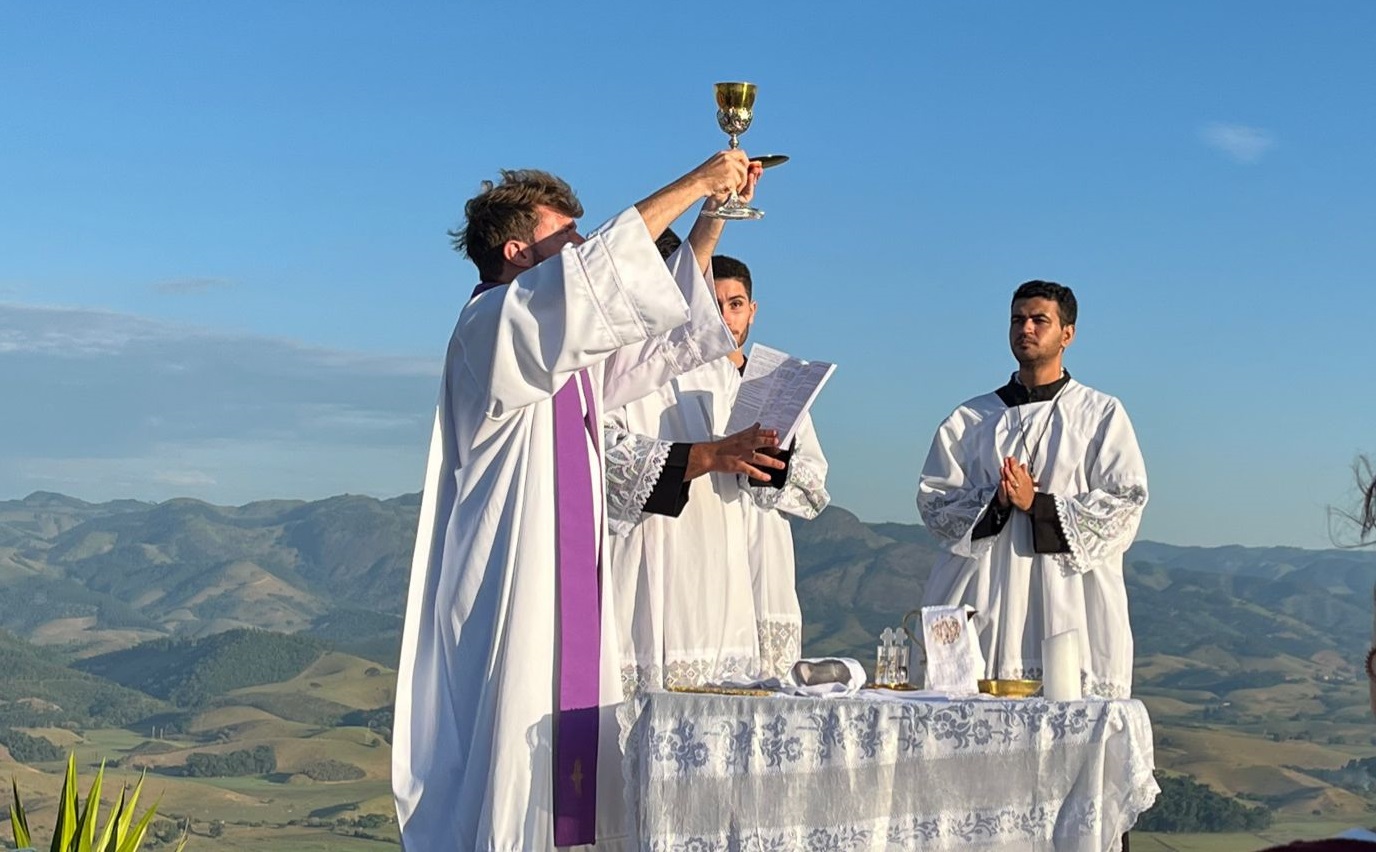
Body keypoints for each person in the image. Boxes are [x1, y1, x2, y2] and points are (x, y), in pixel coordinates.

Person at [393, 151, 767, 851]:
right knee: (513, 769)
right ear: (516, 252)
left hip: (566, 589)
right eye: (565, 239)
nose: (581, 253)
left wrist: (712, 218)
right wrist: (693, 182)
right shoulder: (492, 330)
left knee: (565, 778)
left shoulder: (552, 353)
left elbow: (661, 345)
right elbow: (597, 285)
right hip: (513, 591)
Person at [917, 280, 1148, 698]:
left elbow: (1125, 504)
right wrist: (998, 502)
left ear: (1067, 334)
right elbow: (935, 503)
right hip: (982, 593)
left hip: (1067, 600)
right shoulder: (970, 419)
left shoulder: (1100, 415)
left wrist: (1038, 505)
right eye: (1017, 319)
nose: (1026, 329)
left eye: (1039, 320)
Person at [718, 255, 831, 679]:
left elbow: (816, 485)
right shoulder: (681, 382)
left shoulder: (778, 383)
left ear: (753, 309)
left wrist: (775, 466)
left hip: (764, 543)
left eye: (736, 303)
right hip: (709, 533)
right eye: (716, 303)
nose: (727, 316)